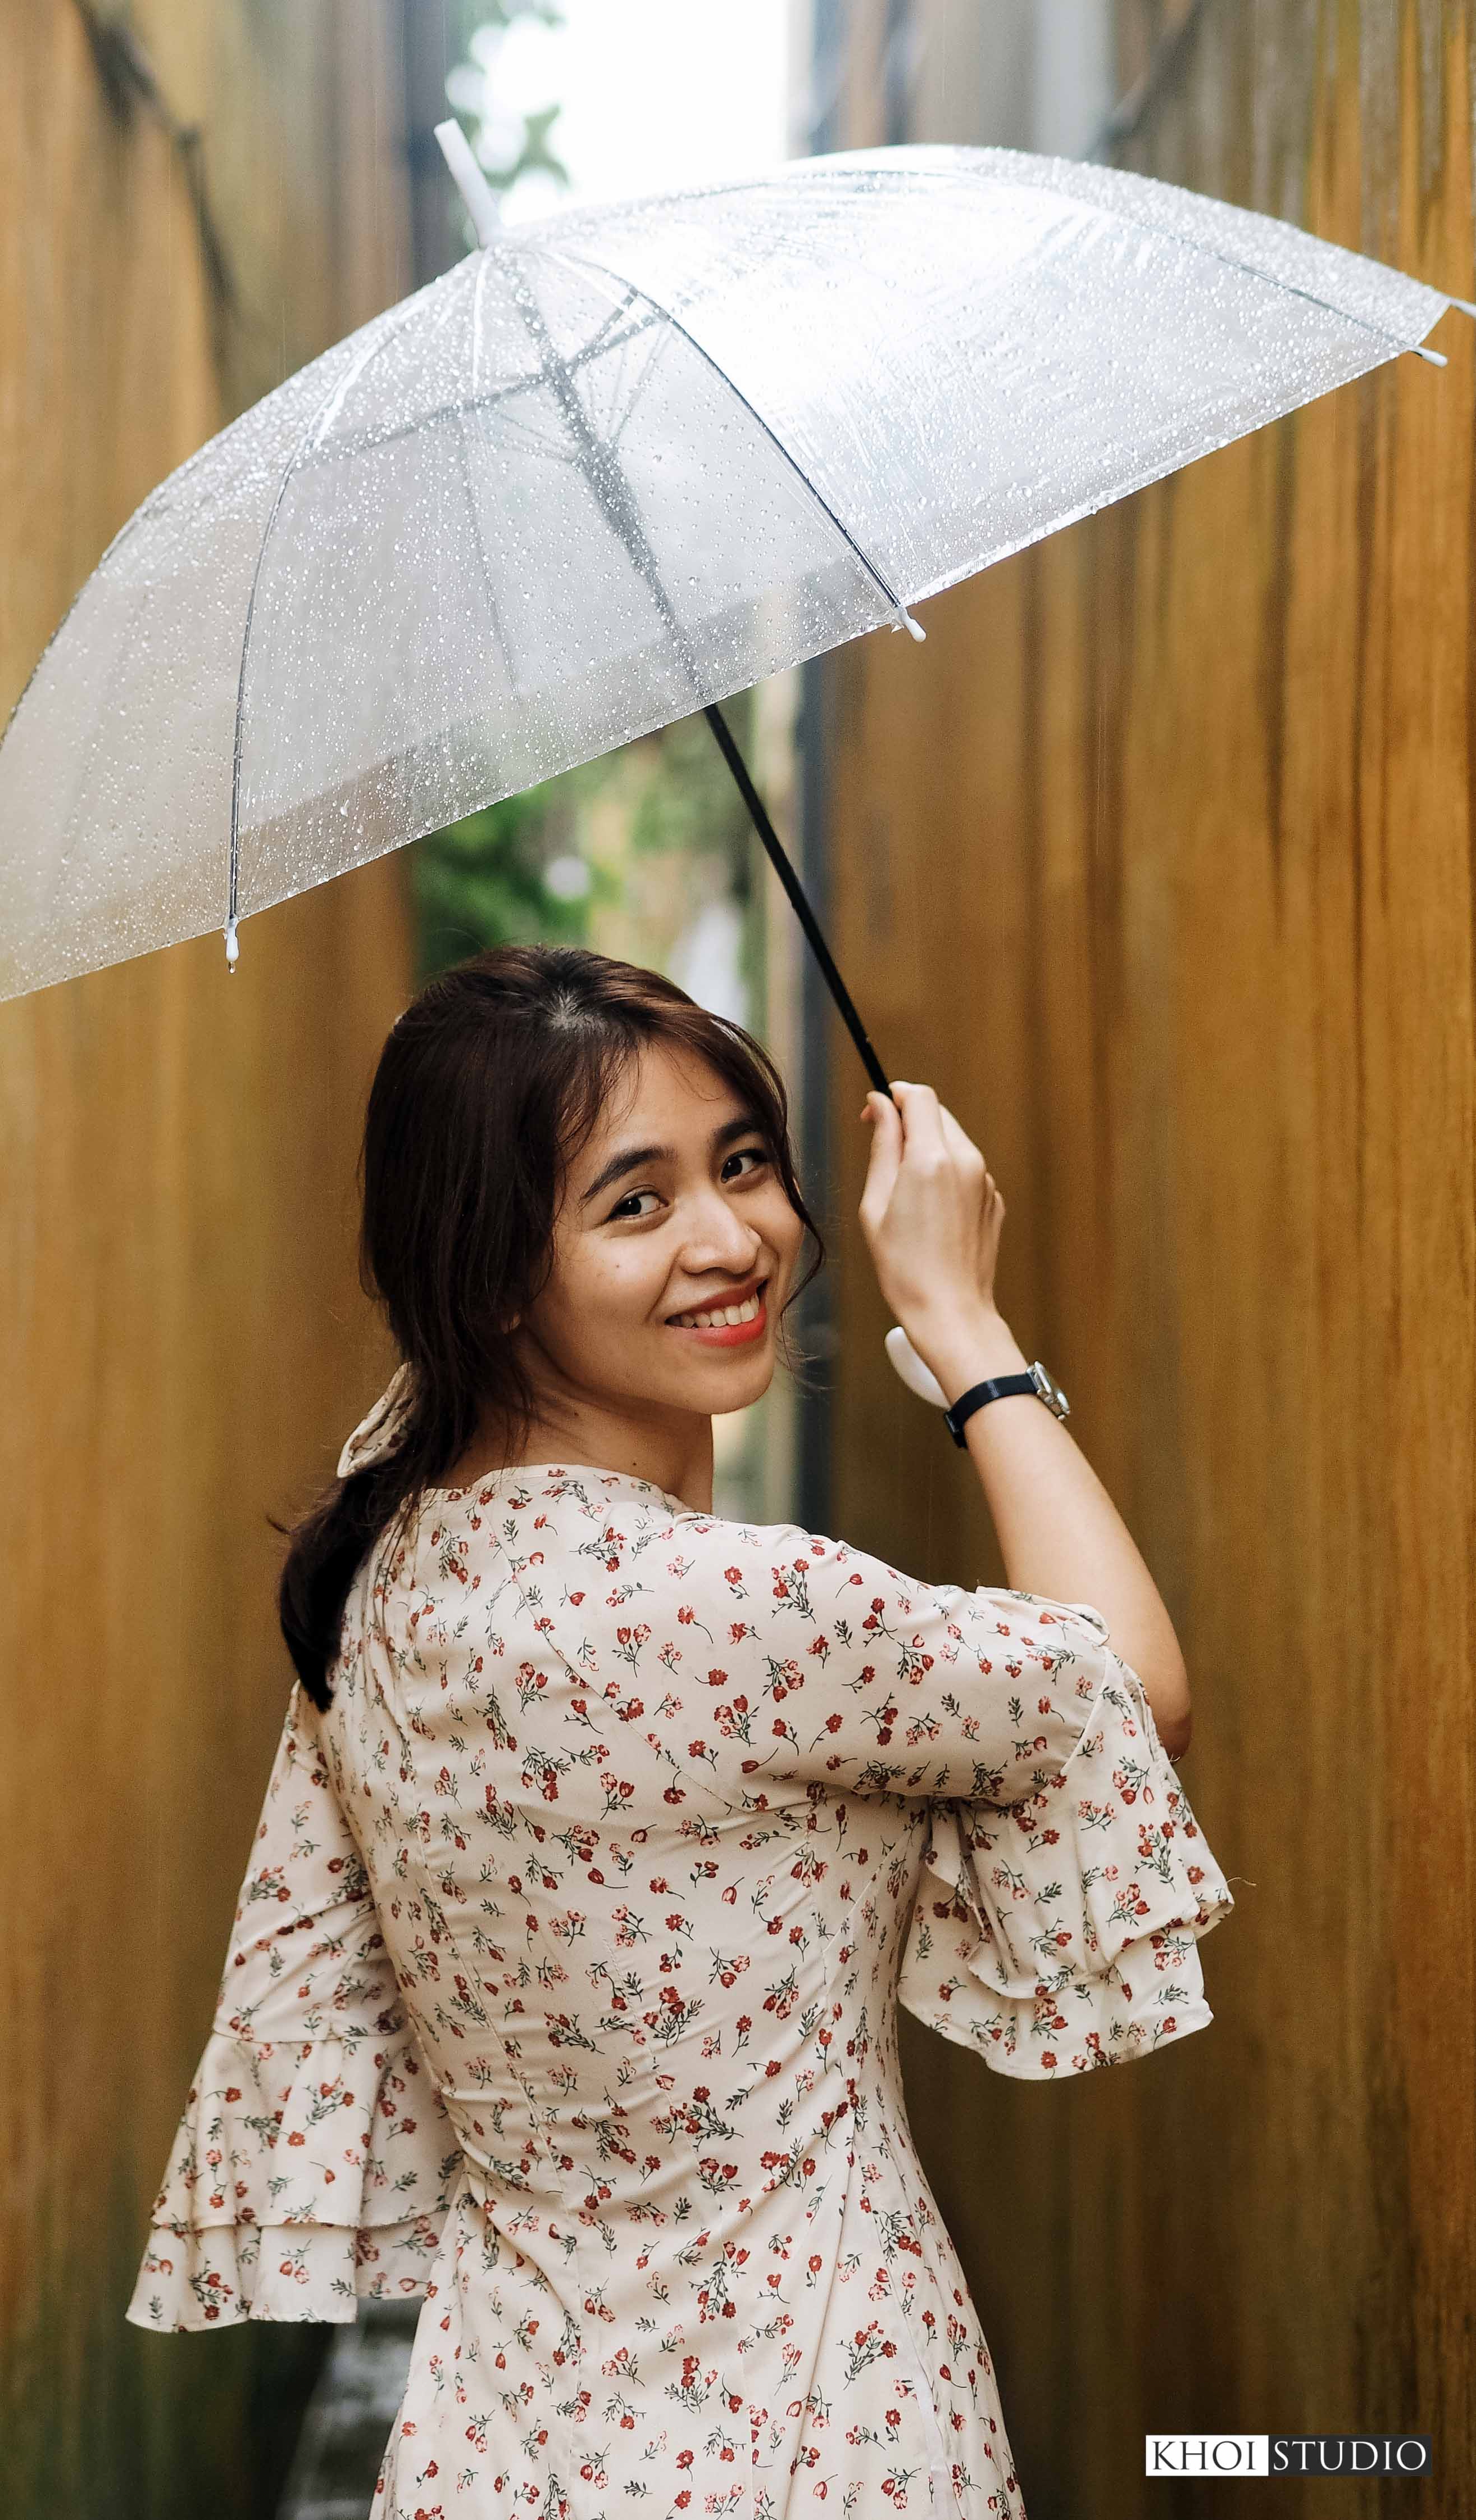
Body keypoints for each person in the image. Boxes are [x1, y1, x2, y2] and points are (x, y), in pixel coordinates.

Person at [128, 945, 1233, 2518]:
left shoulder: (386, 1555)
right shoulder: (721, 1611)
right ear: (495, 1269)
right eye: (632, 1203)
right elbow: (1127, 1695)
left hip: (502, 2437)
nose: (731, 1241)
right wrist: (961, 1323)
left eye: (742, 1165)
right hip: (816, 2426)